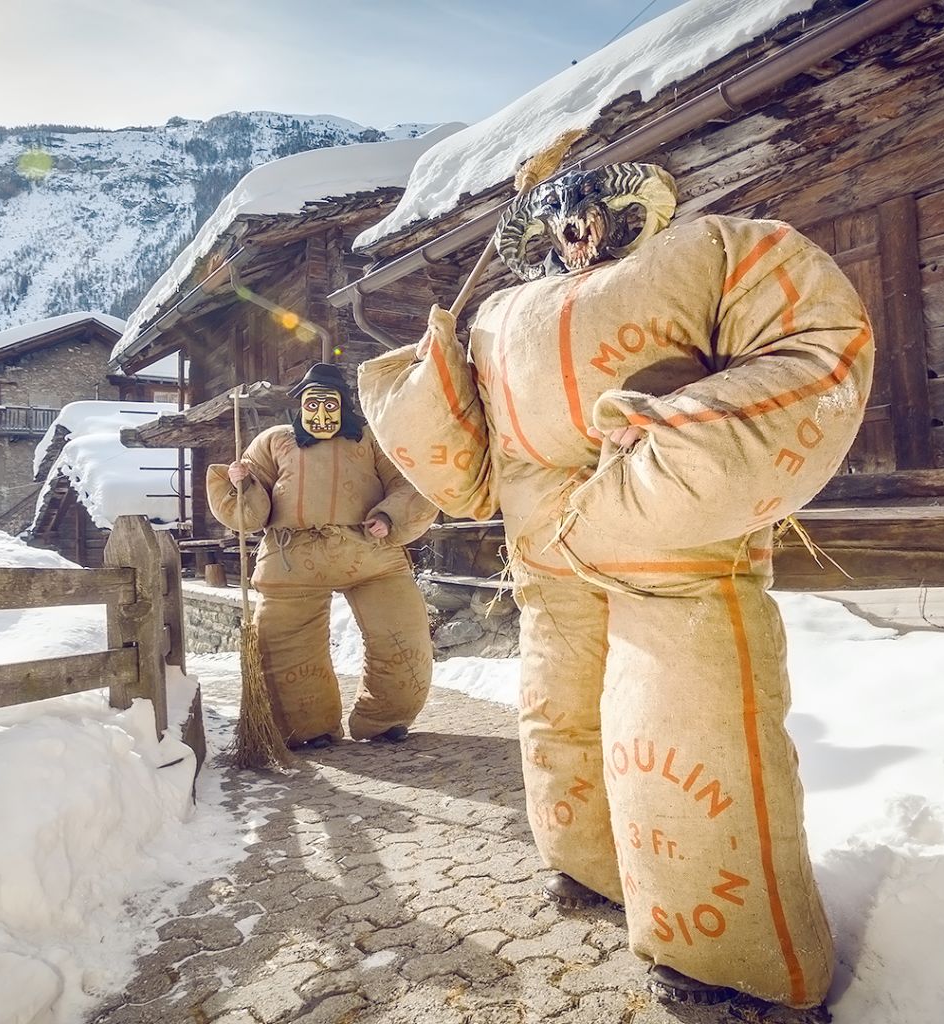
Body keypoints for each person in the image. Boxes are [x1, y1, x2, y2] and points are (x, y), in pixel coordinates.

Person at [358, 162, 872, 1018]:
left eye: (587, 214)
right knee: (560, 712)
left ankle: (730, 956)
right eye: (557, 220)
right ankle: (589, 862)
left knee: (682, 719)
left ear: (627, 213)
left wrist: (667, 459)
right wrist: (432, 372)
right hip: (549, 555)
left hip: (667, 543)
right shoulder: (498, 317)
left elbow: (815, 341)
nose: (575, 231)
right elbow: (471, 465)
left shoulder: (707, 252)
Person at [206, 362, 438, 749]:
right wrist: (241, 483)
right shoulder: (274, 441)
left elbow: (409, 482)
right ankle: (308, 727)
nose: (321, 415)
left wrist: (388, 516)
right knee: (286, 645)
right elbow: (251, 514)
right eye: (312, 406)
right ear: (300, 407)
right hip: (291, 557)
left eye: (329, 406)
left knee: (403, 634)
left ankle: (385, 718)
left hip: (369, 554)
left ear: (343, 406)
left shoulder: (369, 438)